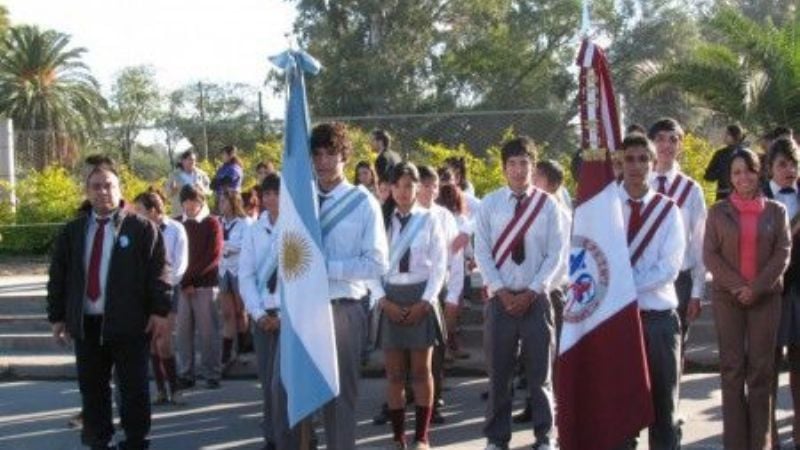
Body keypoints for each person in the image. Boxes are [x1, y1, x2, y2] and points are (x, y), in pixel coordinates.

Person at [47, 164, 171, 450]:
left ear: (120, 189)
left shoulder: (142, 229)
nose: (103, 191)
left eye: (109, 185)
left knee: (134, 391)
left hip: (129, 324)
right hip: (87, 325)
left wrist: (159, 311)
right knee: (92, 391)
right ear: (87, 192)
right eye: (96, 186)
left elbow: (160, 272)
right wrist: (57, 316)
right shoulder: (73, 231)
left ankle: (135, 441)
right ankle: (98, 441)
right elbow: (59, 276)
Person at [474, 136, 565, 450]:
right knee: (499, 375)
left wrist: (533, 290)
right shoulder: (489, 204)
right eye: (512, 163)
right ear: (503, 168)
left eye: (524, 162)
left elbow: (556, 253)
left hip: (537, 299)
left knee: (541, 373)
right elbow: (481, 251)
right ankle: (497, 438)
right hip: (500, 301)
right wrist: (501, 291)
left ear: (533, 165)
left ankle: (545, 437)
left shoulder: (548, 204)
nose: (518, 169)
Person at [308, 122, 389, 448]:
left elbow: (377, 263)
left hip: (344, 308)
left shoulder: (362, 202)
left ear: (344, 156)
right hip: (305, 309)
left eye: (331, 154)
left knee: (340, 396)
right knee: (299, 393)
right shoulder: (302, 200)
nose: (323, 161)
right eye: (317, 154)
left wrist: (327, 268)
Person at [704, 148, 791, 450]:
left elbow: (783, 253)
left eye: (749, 170)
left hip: (766, 298)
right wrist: (739, 286)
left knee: (761, 372)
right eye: (737, 172)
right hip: (728, 299)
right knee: (732, 370)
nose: (744, 177)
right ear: (730, 177)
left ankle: (761, 443)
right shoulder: (717, 212)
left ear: (760, 172)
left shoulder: (776, 211)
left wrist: (757, 287)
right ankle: (735, 444)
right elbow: (709, 255)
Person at [615, 133, 686, 449]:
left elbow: (669, 268)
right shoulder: (603, 209)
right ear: (619, 162)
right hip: (616, 321)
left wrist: (625, 286)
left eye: (643, 158)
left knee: (663, 408)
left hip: (658, 320)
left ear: (654, 163)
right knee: (619, 411)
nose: (636, 165)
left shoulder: (668, 210)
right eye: (629, 158)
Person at [372, 162, 447, 449]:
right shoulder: (381, 220)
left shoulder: (430, 220)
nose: (403, 192)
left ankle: (422, 437)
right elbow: (372, 266)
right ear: (389, 189)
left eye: (408, 185)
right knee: (394, 374)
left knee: (420, 371)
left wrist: (426, 302)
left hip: (421, 299)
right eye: (397, 186)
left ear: (418, 187)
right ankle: (398, 437)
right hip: (390, 298)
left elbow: (439, 266)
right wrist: (383, 300)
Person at [647, 118, 707, 365]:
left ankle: (671, 401)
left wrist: (697, 292)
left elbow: (700, 243)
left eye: (674, 139)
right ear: (651, 143)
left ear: (681, 145)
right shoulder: (636, 186)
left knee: (674, 351)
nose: (666, 145)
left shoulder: (691, 189)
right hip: (642, 278)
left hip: (679, 279)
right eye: (660, 138)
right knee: (643, 351)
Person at [239, 173, 284, 450]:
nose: (270, 198)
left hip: (290, 317)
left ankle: (301, 434)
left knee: (291, 382)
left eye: (275, 193)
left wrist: (285, 316)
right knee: (268, 383)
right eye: (266, 194)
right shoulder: (253, 231)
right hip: (263, 315)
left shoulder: (296, 228)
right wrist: (258, 314)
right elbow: (245, 276)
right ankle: (272, 436)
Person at [418, 165, 466, 424]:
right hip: (409, 289)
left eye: (435, 185)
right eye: (426, 185)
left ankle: (433, 404)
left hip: (439, 290)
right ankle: (402, 402)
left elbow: (455, 260)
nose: (431, 191)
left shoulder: (445, 217)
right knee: (405, 352)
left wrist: (453, 298)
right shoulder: (403, 214)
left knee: (436, 352)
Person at [133, 188, 189, 406]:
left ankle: (175, 388)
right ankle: (160, 389)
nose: (136, 214)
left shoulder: (176, 229)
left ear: (154, 210)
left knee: (164, 341)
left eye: (140, 210)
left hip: (167, 290)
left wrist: (165, 286)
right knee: (152, 343)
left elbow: (181, 264)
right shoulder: (138, 230)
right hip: (143, 292)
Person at [764, 138, 800, 447]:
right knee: (769, 367)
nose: (790, 170)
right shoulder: (759, 199)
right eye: (783, 164)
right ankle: (769, 436)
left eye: (795, 164)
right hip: (770, 293)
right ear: (770, 168)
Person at [175, 185, 224, 390]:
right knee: (183, 332)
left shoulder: (212, 223)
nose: (189, 205)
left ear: (201, 201)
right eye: (185, 201)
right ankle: (186, 373)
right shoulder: (177, 223)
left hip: (205, 285)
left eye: (193, 200)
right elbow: (174, 254)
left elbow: (212, 257)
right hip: (182, 286)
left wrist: (190, 280)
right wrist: (183, 281)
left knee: (208, 332)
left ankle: (212, 373)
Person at [217, 190, 252, 369]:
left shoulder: (245, 223)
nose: (221, 204)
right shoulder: (217, 222)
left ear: (233, 202)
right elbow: (215, 244)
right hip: (223, 270)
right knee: (227, 313)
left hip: (239, 270)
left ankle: (244, 352)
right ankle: (226, 355)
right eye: (220, 201)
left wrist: (225, 247)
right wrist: (225, 247)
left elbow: (244, 245)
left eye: (224, 200)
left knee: (241, 311)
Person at [705, 124, 746, 201]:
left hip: (726, 196)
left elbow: (709, 176)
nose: (724, 136)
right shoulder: (746, 154)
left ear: (733, 136)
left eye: (726, 134)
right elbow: (708, 176)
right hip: (738, 196)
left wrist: (720, 172)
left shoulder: (721, 154)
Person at [165, 150, 211, 214]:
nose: (192, 162)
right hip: (181, 211)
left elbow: (208, 191)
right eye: (190, 159)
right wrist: (173, 189)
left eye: (194, 160)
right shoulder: (174, 176)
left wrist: (201, 188)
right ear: (183, 161)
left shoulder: (202, 174)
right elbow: (167, 193)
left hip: (200, 211)